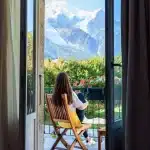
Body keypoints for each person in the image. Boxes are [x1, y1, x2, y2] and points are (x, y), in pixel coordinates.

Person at [52, 72, 95, 145]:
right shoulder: (70, 94)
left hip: (61, 122)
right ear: (67, 81)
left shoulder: (54, 95)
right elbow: (81, 107)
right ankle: (87, 137)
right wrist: (86, 103)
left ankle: (87, 138)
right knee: (81, 97)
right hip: (72, 122)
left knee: (78, 98)